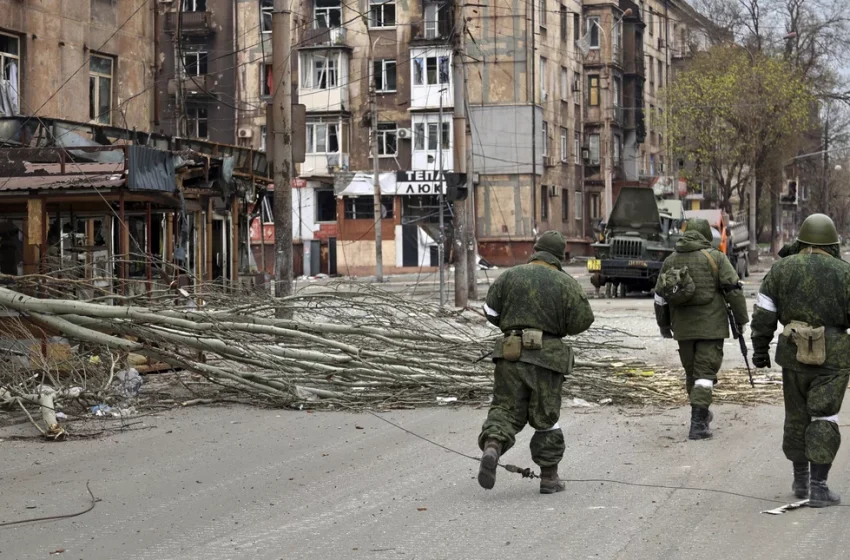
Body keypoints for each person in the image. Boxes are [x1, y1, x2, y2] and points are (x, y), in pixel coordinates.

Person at [478, 231, 595, 494]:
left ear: (536, 249)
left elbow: (490, 311)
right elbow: (584, 320)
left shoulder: (509, 275)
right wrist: (557, 327)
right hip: (547, 358)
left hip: (510, 354)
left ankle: (493, 447)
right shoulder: (566, 282)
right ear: (560, 255)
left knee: (506, 408)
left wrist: (512, 326)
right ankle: (549, 479)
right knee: (546, 417)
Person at [751, 213, 850, 507]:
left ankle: (800, 479)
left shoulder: (781, 270)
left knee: (796, 415)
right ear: (832, 242)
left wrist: (760, 350)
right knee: (824, 416)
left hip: (793, 354)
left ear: (802, 240)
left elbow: (764, 313)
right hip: (833, 358)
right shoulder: (845, 273)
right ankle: (819, 487)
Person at [654, 218, 749, 440]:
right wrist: (741, 320)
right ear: (707, 235)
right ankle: (698, 424)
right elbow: (734, 290)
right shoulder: (716, 257)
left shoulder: (670, 260)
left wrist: (664, 325)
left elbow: (660, 297)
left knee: (692, 374)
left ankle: (702, 413)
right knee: (705, 375)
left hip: (683, 328)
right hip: (712, 327)